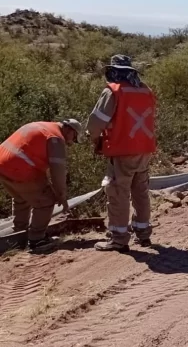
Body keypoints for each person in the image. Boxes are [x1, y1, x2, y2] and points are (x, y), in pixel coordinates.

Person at [86, 55, 157, 252]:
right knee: (141, 191)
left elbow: (95, 124)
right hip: (144, 148)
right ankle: (143, 234)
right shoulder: (145, 91)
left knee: (118, 192)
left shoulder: (113, 91)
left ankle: (118, 238)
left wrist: (95, 140)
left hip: (123, 150)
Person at [0, 119, 82, 248]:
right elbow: (58, 171)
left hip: (3, 167)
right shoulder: (56, 138)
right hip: (21, 169)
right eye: (74, 138)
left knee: (22, 198)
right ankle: (37, 239)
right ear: (70, 130)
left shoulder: (41, 125)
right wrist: (61, 195)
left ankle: (18, 236)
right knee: (47, 201)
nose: (71, 143)